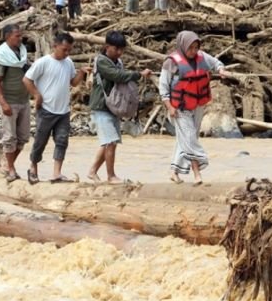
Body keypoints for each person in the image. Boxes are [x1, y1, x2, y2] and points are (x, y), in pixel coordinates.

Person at [160, 31, 227, 185]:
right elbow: (163, 87)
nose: (193, 51)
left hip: (197, 105)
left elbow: (216, 63)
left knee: (186, 139)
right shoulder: (170, 62)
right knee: (189, 138)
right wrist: (169, 107)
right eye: (190, 48)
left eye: (196, 47)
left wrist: (221, 70)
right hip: (179, 108)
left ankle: (174, 171)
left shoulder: (202, 57)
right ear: (183, 46)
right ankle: (198, 174)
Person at [23, 32, 89, 184]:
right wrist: (36, 95)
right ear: (55, 46)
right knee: (40, 140)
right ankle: (33, 168)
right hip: (46, 109)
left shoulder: (69, 63)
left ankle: (56, 173)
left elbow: (73, 82)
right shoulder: (43, 62)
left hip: (63, 110)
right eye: (64, 49)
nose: (67, 53)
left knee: (62, 141)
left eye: (69, 50)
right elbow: (26, 79)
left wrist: (81, 73)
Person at [87, 31, 152, 184]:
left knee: (110, 141)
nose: (119, 52)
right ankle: (111, 176)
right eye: (117, 49)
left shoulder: (118, 62)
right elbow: (117, 76)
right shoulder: (102, 61)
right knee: (111, 142)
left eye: (121, 49)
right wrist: (139, 74)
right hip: (101, 106)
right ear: (107, 46)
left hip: (112, 107)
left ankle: (92, 171)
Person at [0, 24, 30, 182]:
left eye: (21, 36)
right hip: (10, 100)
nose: (20, 39)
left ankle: (8, 165)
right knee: (9, 137)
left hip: (24, 99)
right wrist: (2, 101)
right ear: (8, 36)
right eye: (17, 36)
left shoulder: (22, 52)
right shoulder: (2, 55)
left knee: (23, 137)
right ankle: (11, 168)